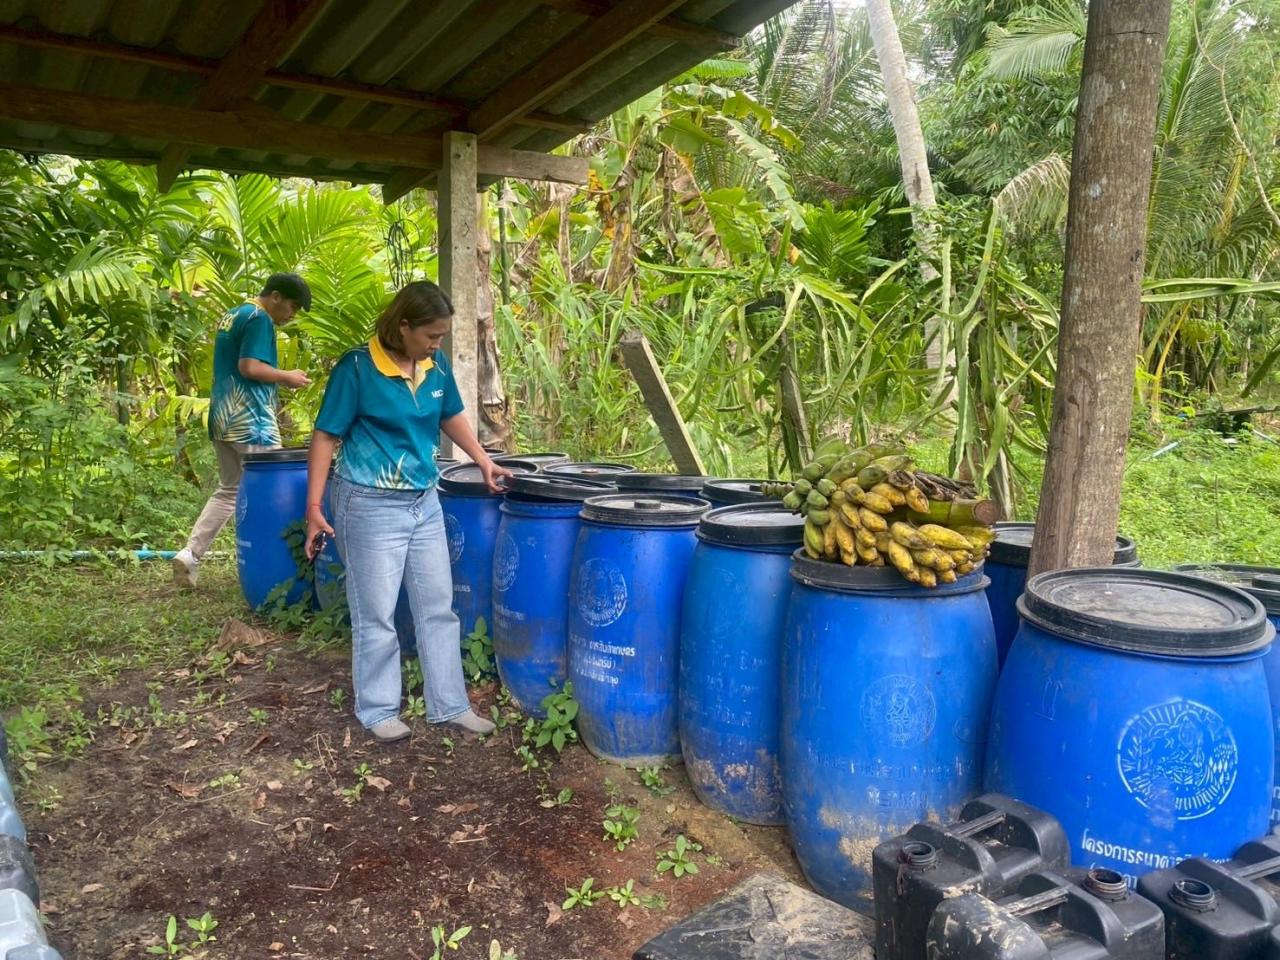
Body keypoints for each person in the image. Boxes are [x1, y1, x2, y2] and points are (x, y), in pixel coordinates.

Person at [303, 281, 509, 743]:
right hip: (369, 504)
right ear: (404, 326)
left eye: (441, 336)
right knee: (375, 611)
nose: (437, 344)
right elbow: (325, 436)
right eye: (431, 335)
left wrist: (483, 460)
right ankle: (377, 710)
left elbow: (449, 415)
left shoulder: (433, 367)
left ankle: (449, 705)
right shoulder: (357, 368)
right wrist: (314, 507)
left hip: (424, 501)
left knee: (439, 606)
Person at [173, 273, 312, 588]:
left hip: (222, 417)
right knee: (271, 491)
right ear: (274, 296)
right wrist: (287, 376)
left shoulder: (233, 314)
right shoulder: (259, 318)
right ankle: (276, 570)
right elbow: (249, 366)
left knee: (229, 489)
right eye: (291, 306)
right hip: (251, 421)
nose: (291, 315)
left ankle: (190, 554)